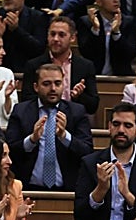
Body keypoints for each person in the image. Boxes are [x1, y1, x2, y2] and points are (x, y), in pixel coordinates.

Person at [5, 62, 93, 192]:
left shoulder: (76, 112)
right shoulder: (21, 111)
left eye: (57, 83)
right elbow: (10, 150)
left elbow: (87, 151)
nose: (53, 89)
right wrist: (32, 139)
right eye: (46, 84)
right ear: (36, 87)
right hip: (28, 189)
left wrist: (64, 136)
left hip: (68, 190)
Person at [19, 16, 100, 115]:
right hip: (42, 118)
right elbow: (26, 101)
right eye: (52, 34)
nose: (56, 39)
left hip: (73, 121)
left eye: (61, 35)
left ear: (72, 38)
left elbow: (93, 106)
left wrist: (79, 96)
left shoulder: (85, 66)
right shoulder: (33, 65)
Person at [76, 0, 136, 76]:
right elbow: (86, 53)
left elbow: (130, 54)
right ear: (99, 2)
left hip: (121, 77)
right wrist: (95, 29)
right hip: (94, 75)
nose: (116, 0)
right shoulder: (86, 22)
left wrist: (116, 32)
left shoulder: (128, 22)